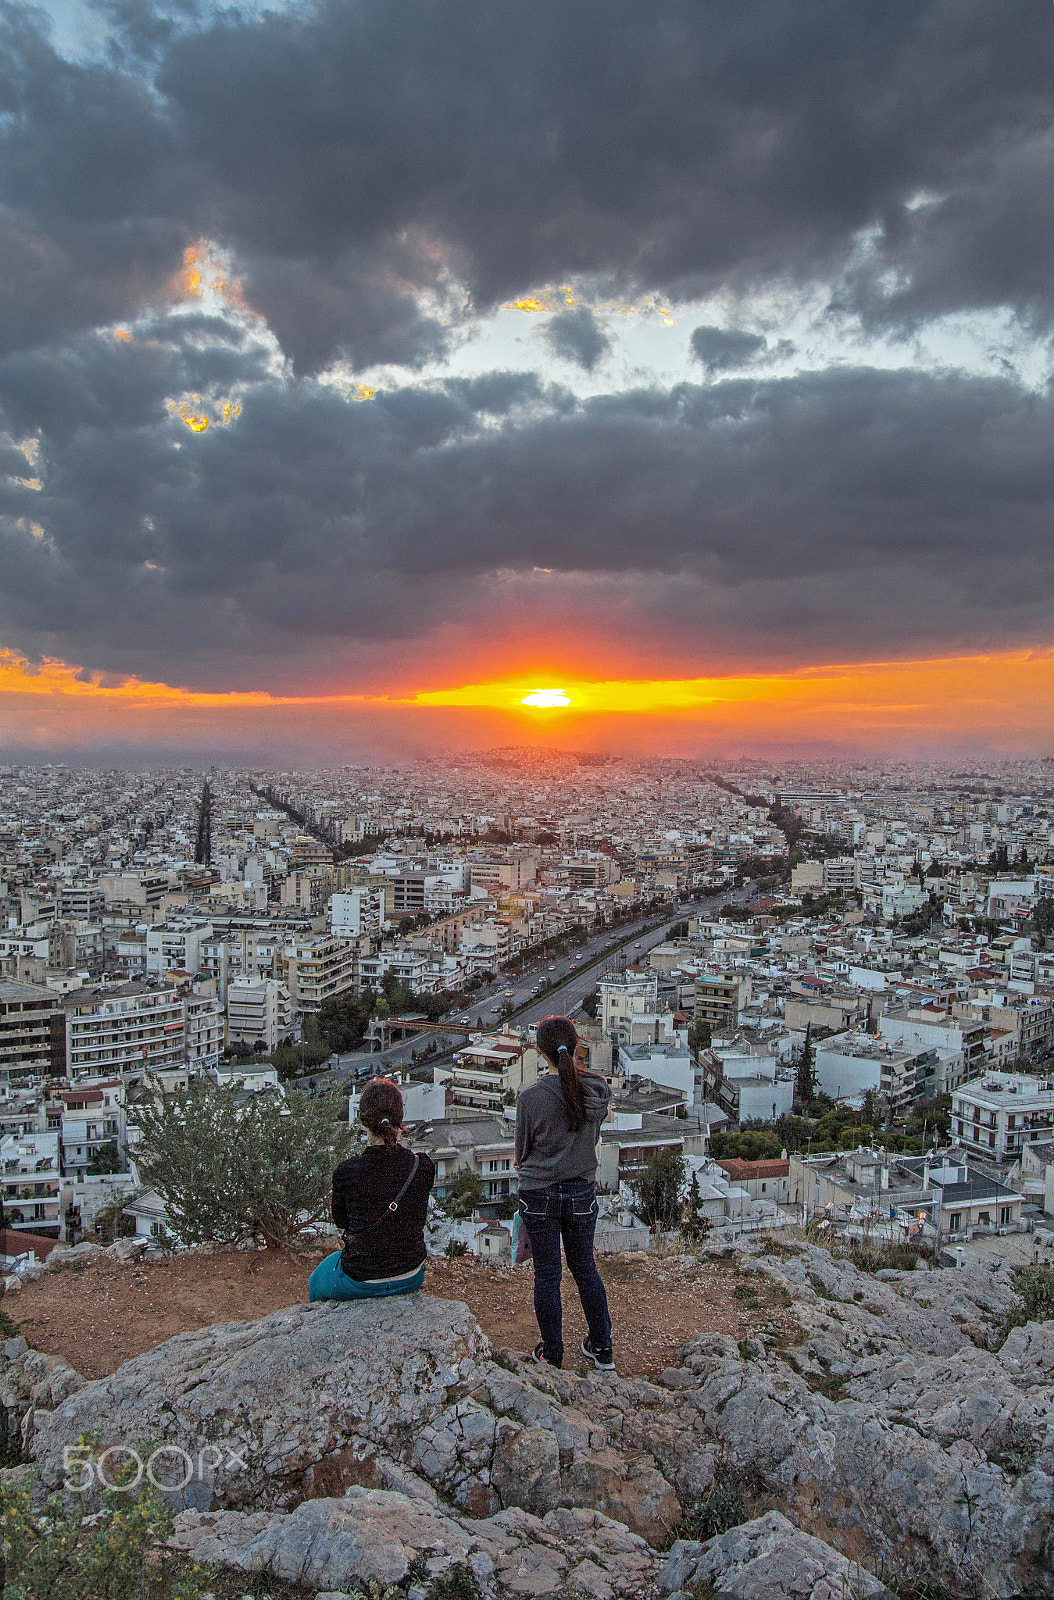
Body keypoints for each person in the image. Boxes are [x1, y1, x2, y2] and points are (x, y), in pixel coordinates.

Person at [515, 1015, 614, 1370]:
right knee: (585, 1267)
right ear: (575, 1047)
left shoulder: (531, 1098)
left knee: (547, 1274)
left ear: (539, 1052)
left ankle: (553, 1353)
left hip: (539, 1192)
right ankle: (602, 1349)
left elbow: (521, 1151)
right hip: (581, 1190)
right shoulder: (597, 1092)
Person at [309, 1077, 435, 1303]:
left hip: (361, 1276)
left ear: (363, 1120)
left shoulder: (348, 1171)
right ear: (400, 1118)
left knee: (316, 1280)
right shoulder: (422, 1166)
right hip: (411, 1273)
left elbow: (342, 1222)